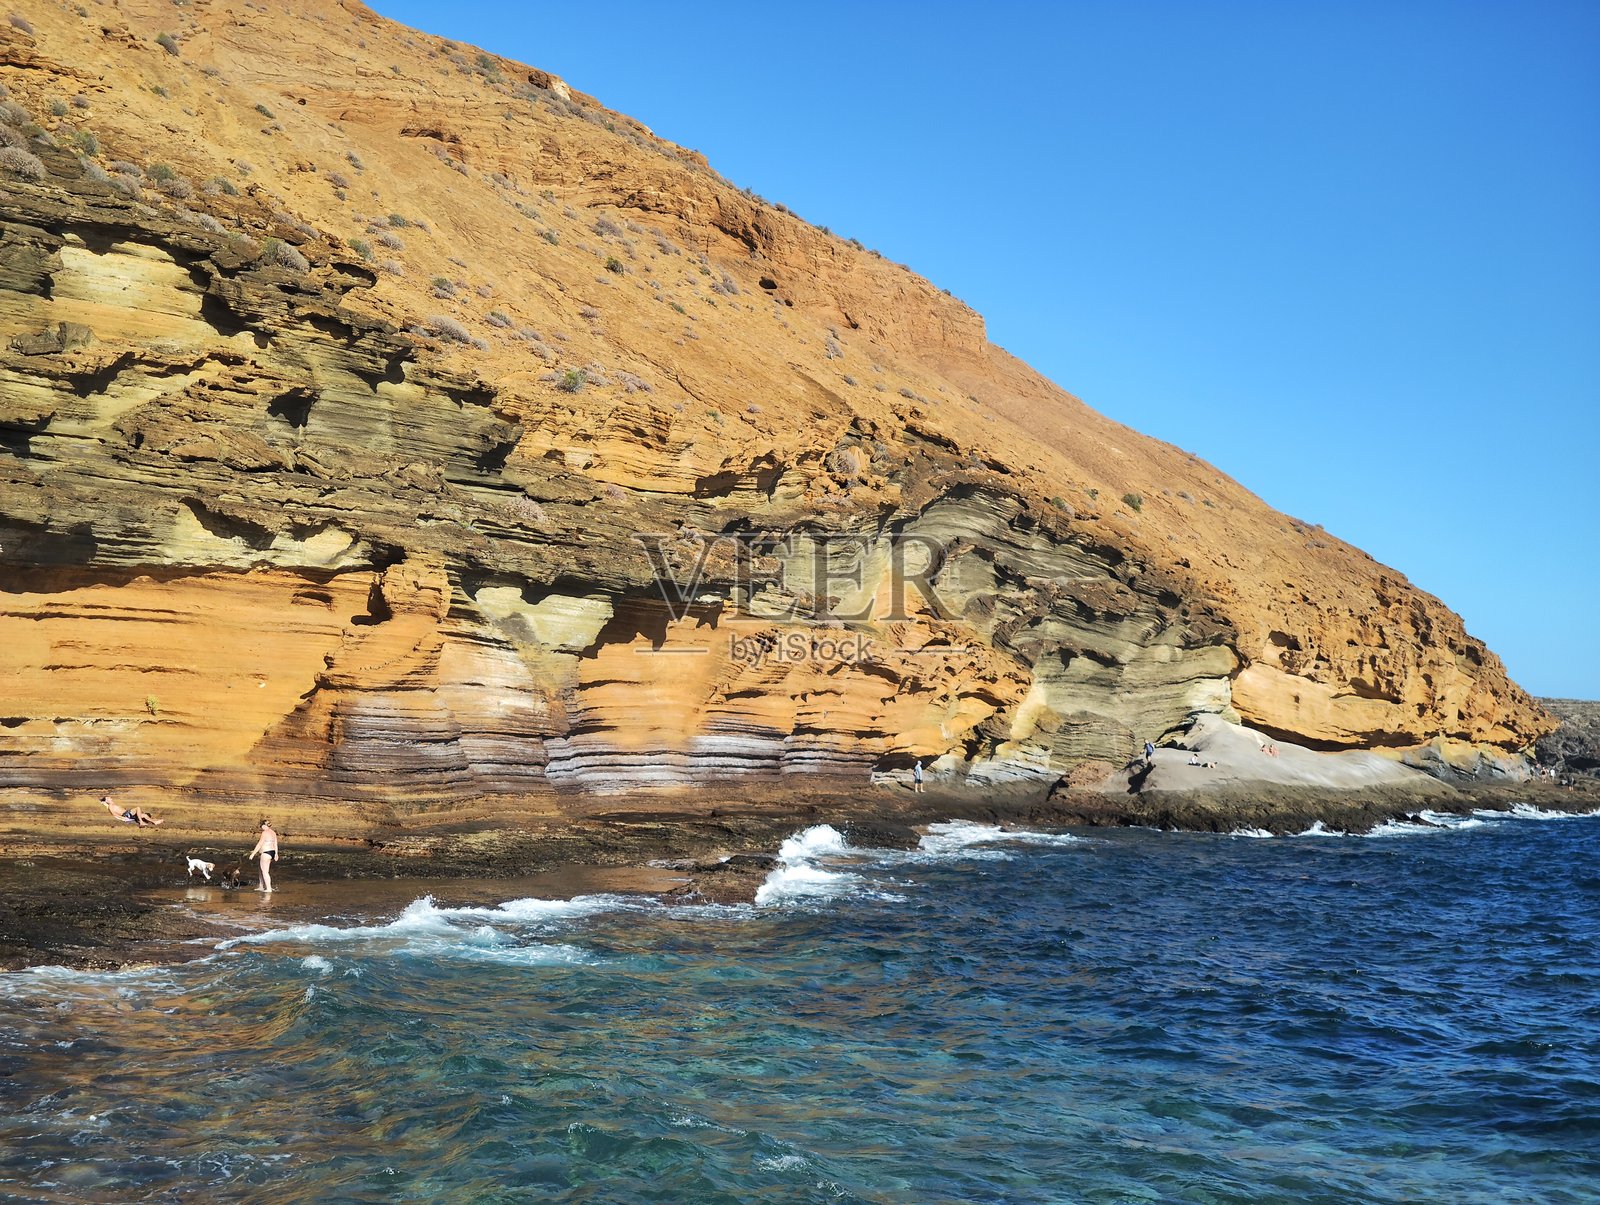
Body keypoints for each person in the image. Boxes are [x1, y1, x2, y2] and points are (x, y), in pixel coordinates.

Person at [249, 819, 279, 893]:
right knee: (261, 869)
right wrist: (276, 854)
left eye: (261, 826)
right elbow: (275, 844)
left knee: (265, 872)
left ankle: (269, 888)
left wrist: (253, 854)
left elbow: (260, 844)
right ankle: (261, 886)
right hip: (272, 852)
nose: (260, 828)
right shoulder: (273, 832)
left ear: (263, 825)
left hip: (266, 853)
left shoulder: (265, 833)